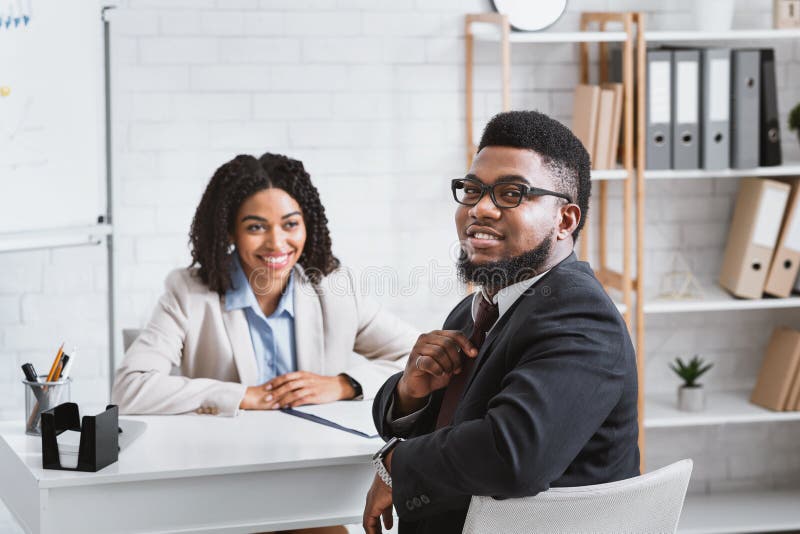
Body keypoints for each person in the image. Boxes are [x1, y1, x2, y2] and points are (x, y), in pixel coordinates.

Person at [362, 110, 640, 534]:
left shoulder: (582, 315)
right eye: (472, 190)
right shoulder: (479, 307)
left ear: (565, 220)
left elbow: (514, 454)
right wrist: (409, 393)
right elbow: (430, 426)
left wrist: (397, 465)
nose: (481, 209)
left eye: (511, 193)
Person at [112, 153, 418, 418]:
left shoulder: (334, 288)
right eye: (256, 227)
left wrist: (343, 384)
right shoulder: (188, 292)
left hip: (317, 459)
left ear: (306, 226)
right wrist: (244, 395)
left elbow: (417, 357)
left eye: (290, 224)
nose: (276, 242)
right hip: (225, 462)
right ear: (229, 231)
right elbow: (129, 388)